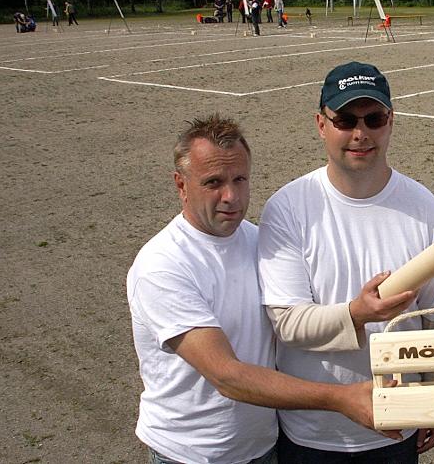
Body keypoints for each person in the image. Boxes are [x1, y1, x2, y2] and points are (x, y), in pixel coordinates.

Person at [127, 114, 399, 464]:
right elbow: (227, 375)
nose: (231, 196)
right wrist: (341, 398)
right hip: (193, 454)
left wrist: (356, 313)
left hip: (264, 447)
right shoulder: (163, 266)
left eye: (240, 179)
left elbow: (294, 321)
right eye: (213, 182)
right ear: (181, 185)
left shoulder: (259, 241)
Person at [258, 62, 434, 462]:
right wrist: (357, 314)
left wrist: (433, 391)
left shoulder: (424, 208)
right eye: (345, 120)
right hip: (311, 431)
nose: (360, 133)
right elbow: (288, 323)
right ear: (321, 124)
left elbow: (431, 317)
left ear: (391, 121)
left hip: (396, 427)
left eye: (374, 118)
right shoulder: (288, 208)